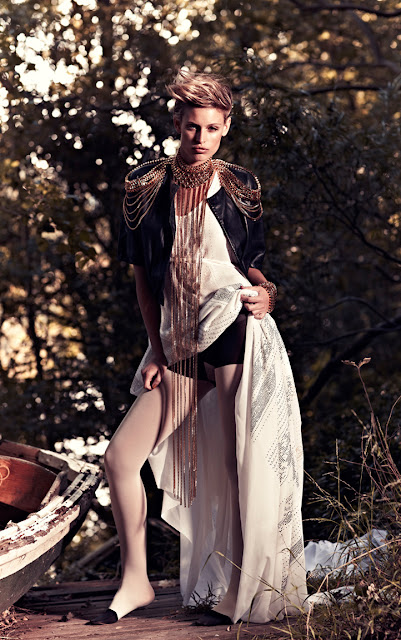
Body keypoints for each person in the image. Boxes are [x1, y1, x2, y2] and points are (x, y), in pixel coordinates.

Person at [88, 70, 307, 627]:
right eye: (191, 127)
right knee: (120, 458)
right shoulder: (145, 188)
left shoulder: (241, 186)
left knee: (238, 462)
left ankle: (241, 587)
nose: (201, 138)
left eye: (212, 127)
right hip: (181, 340)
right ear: (176, 124)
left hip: (233, 324)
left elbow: (252, 265)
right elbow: (144, 282)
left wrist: (269, 293)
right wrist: (156, 351)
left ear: (226, 126)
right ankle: (135, 580)